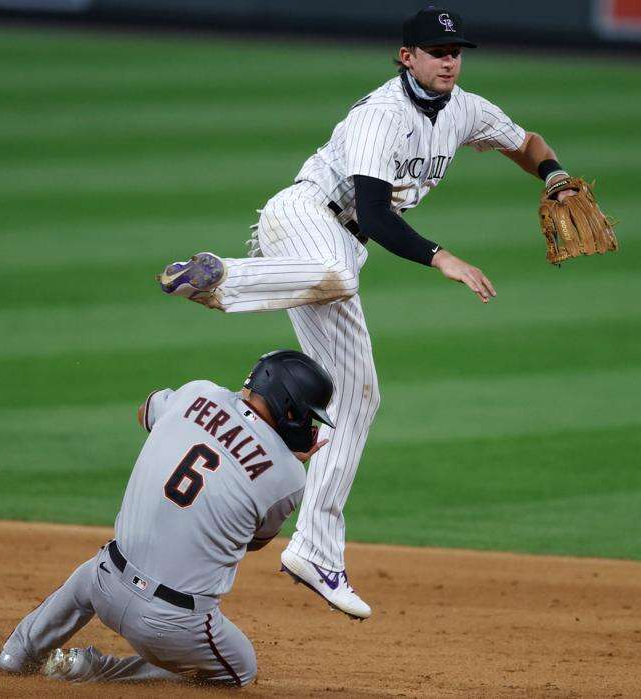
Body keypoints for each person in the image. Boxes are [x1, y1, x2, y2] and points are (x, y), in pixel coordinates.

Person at [157, 6, 579, 620]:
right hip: (305, 216)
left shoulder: (463, 108)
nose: (450, 61)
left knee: (357, 393)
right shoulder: (382, 116)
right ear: (406, 56)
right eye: (436, 51)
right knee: (333, 276)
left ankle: (316, 549)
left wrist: (554, 175)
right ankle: (219, 277)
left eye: (456, 51)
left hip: (336, 247)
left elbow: (526, 142)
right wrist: (442, 259)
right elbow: (378, 217)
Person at [0, 350, 334, 686]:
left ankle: (19, 652)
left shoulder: (198, 392)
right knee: (240, 671)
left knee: (92, 571)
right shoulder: (288, 477)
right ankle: (91, 668)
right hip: (170, 626)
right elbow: (253, 541)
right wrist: (280, 458)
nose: (309, 425)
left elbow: (143, 412)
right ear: (289, 410)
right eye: (307, 417)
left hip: (104, 583)